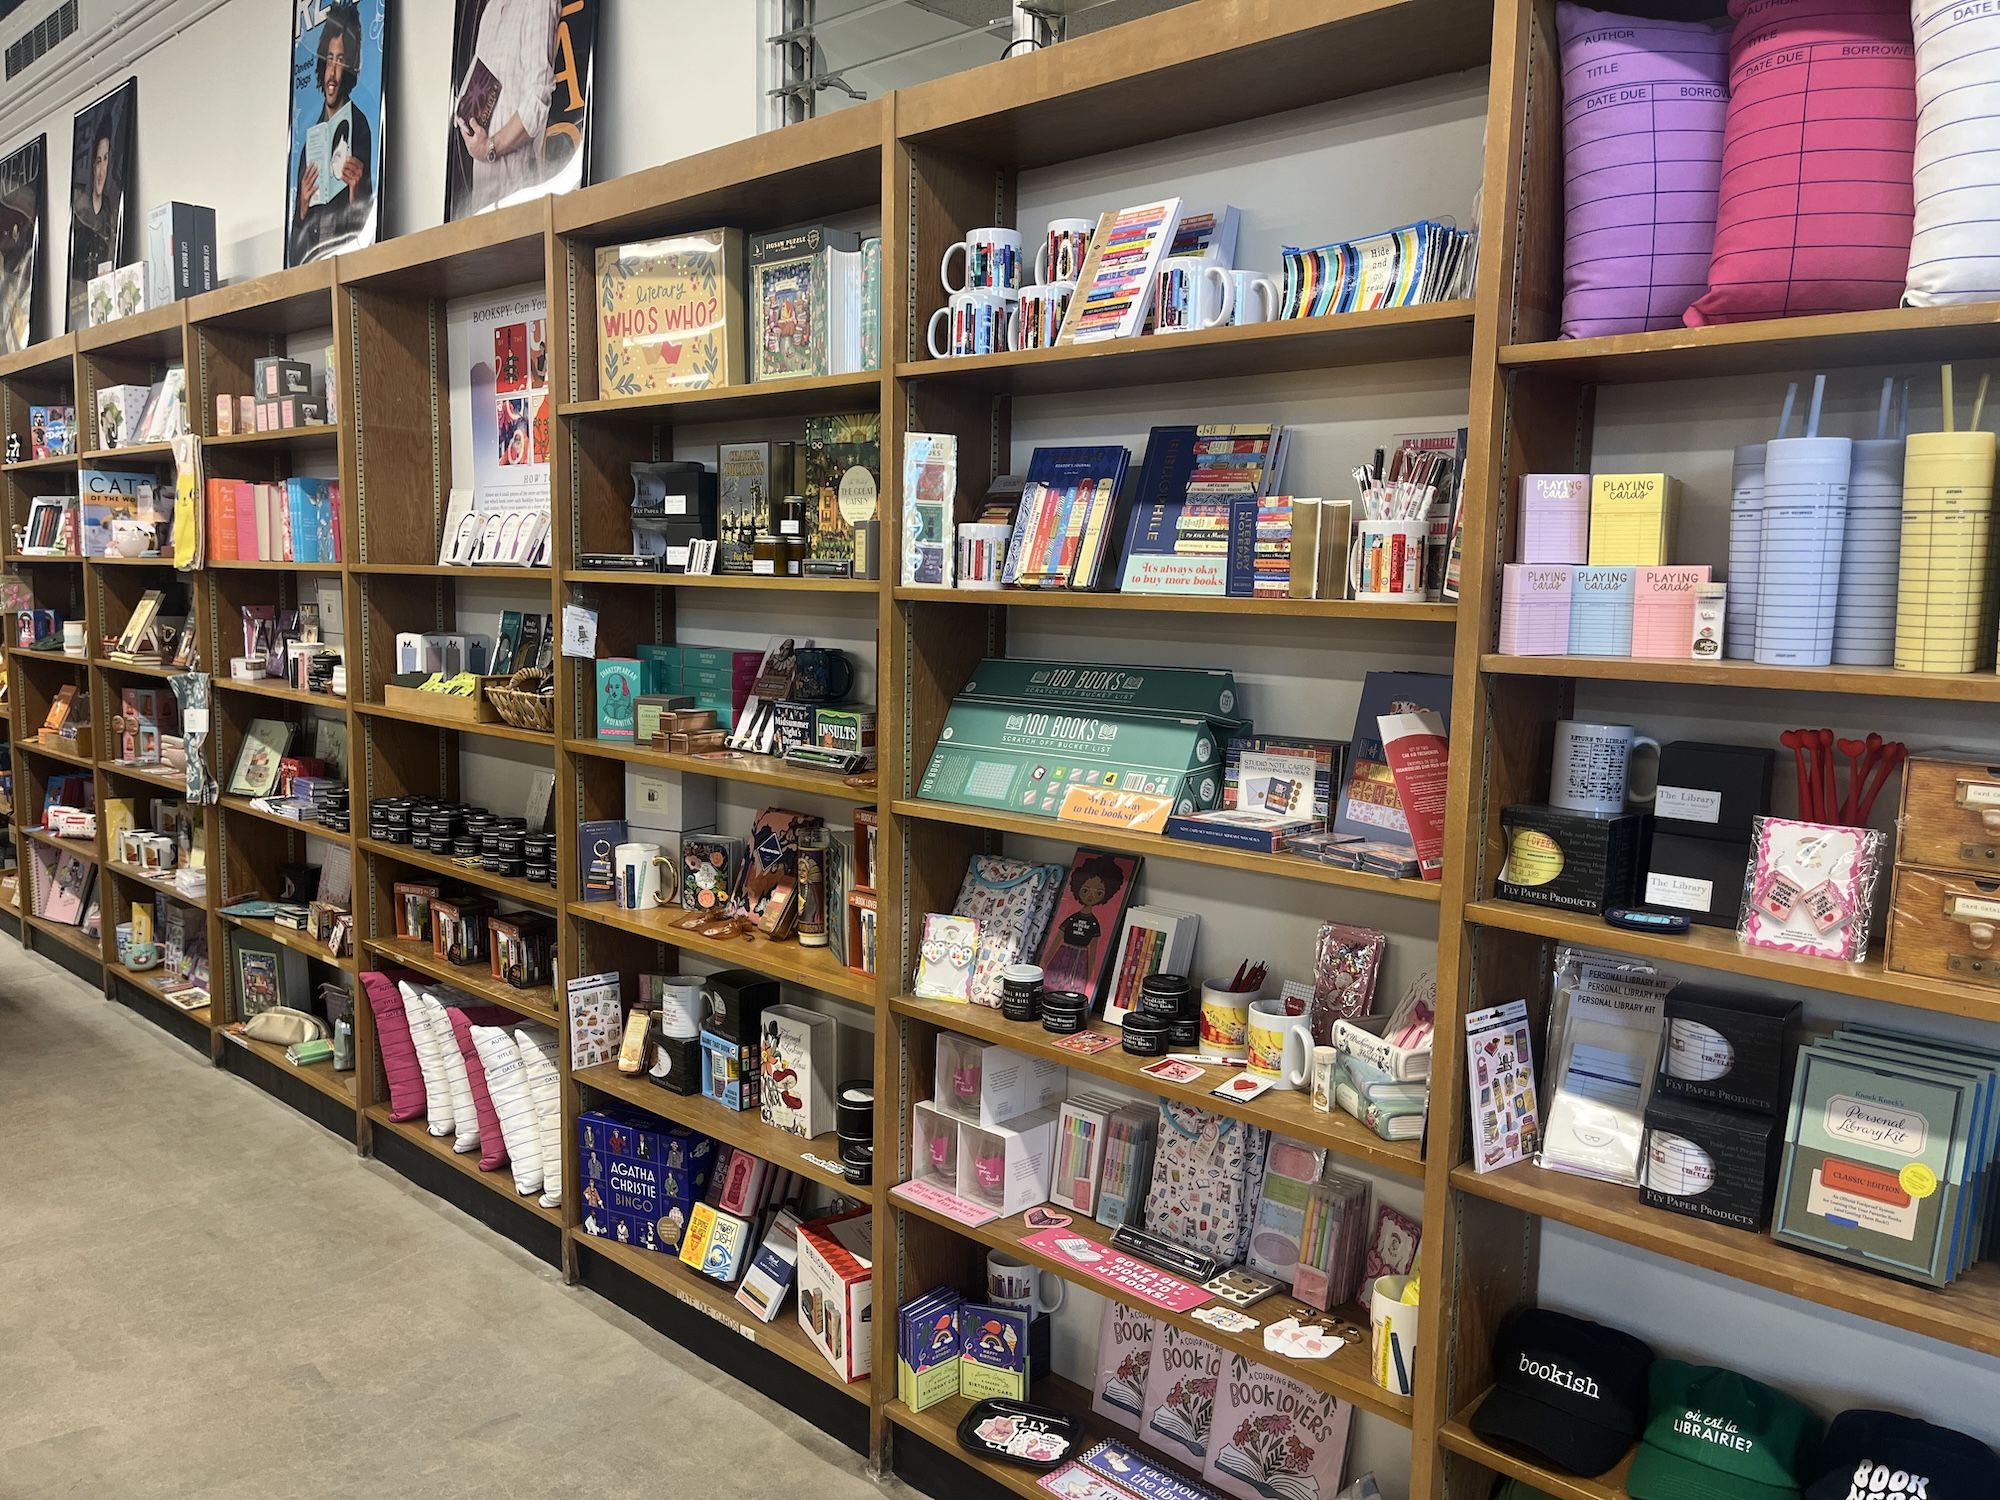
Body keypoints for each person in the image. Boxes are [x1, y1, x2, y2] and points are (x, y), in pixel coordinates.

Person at [450, 0, 558, 217]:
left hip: (520, 194)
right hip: (481, 200)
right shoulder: (490, 9)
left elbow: (538, 98)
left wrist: (489, 147)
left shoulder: (538, 3)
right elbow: (473, 84)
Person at [289, 2, 375, 266]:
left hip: (347, 265)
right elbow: (295, 257)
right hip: (316, 274)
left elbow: (366, 238)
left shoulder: (359, 128)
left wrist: (355, 193)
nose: (333, 73)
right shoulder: (308, 145)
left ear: (350, 67)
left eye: (340, 61)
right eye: (329, 59)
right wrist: (302, 208)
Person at [67, 125, 119, 325]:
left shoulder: (113, 218)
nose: (101, 170)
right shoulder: (79, 219)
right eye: (98, 161)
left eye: (106, 159)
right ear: (92, 165)